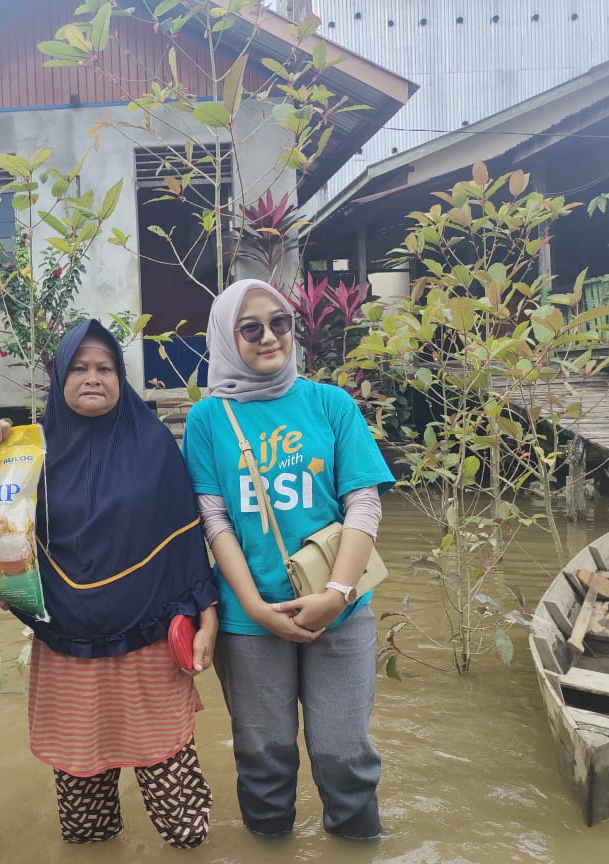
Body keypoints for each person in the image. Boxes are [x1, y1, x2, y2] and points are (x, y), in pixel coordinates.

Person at [0, 319, 220, 848]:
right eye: (80, 367)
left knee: (182, 819)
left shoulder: (154, 444)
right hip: (67, 651)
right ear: (60, 377)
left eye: (105, 368)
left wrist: (208, 616)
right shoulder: (26, 453)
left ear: (120, 376)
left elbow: (184, 541)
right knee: (86, 826)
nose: (93, 377)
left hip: (149, 646)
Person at [181, 278, 394, 841]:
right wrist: (253, 606)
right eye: (250, 328)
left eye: (280, 323)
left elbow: (362, 504)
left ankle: (357, 849)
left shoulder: (330, 403)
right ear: (228, 337)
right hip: (249, 622)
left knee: (345, 755)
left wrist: (338, 595)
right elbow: (214, 520)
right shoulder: (208, 419)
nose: (269, 336)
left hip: (341, 613)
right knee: (264, 757)